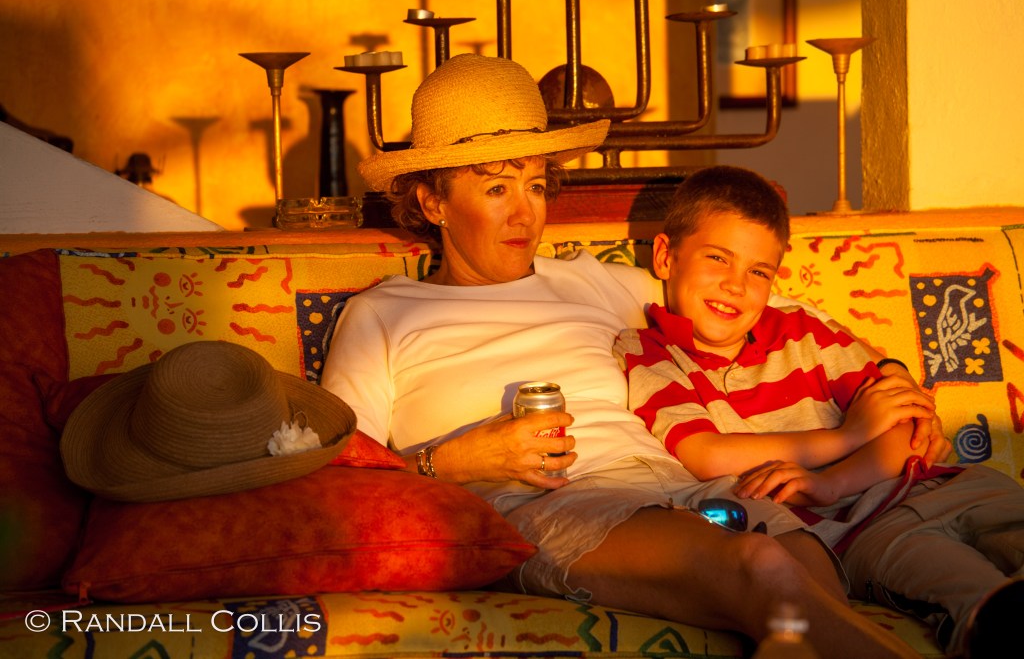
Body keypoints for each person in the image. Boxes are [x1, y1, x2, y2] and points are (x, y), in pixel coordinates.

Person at [320, 54, 923, 657]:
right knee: (762, 567)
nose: (525, 213)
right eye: (497, 188)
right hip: (547, 503)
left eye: (535, 186)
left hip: (678, 483)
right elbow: (337, 484)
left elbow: (765, 302)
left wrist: (893, 385)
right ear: (434, 203)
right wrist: (456, 460)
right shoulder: (383, 315)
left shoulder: (589, 282)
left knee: (806, 571)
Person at [615, 165, 1024, 658]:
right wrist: (849, 437)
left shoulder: (802, 329)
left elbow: (907, 423)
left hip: (953, 483)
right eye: (717, 258)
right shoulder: (650, 353)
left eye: (758, 272)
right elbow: (707, 453)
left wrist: (832, 480)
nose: (735, 285)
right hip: (865, 532)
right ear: (665, 256)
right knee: (982, 602)